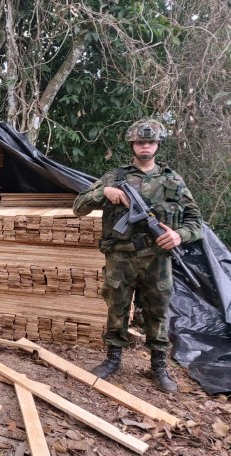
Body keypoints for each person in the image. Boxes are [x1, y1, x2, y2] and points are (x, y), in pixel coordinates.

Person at [72, 119, 202, 393]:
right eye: (140, 142)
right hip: (120, 257)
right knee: (116, 307)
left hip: (157, 259)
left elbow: (195, 221)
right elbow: (78, 207)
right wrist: (103, 192)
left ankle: (159, 367)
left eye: (151, 141)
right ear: (132, 144)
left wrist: (179, 235)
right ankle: (112, 360)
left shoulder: (172, 180)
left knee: (158, 312)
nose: (145, 145)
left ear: (157, 145)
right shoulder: (114, 177)